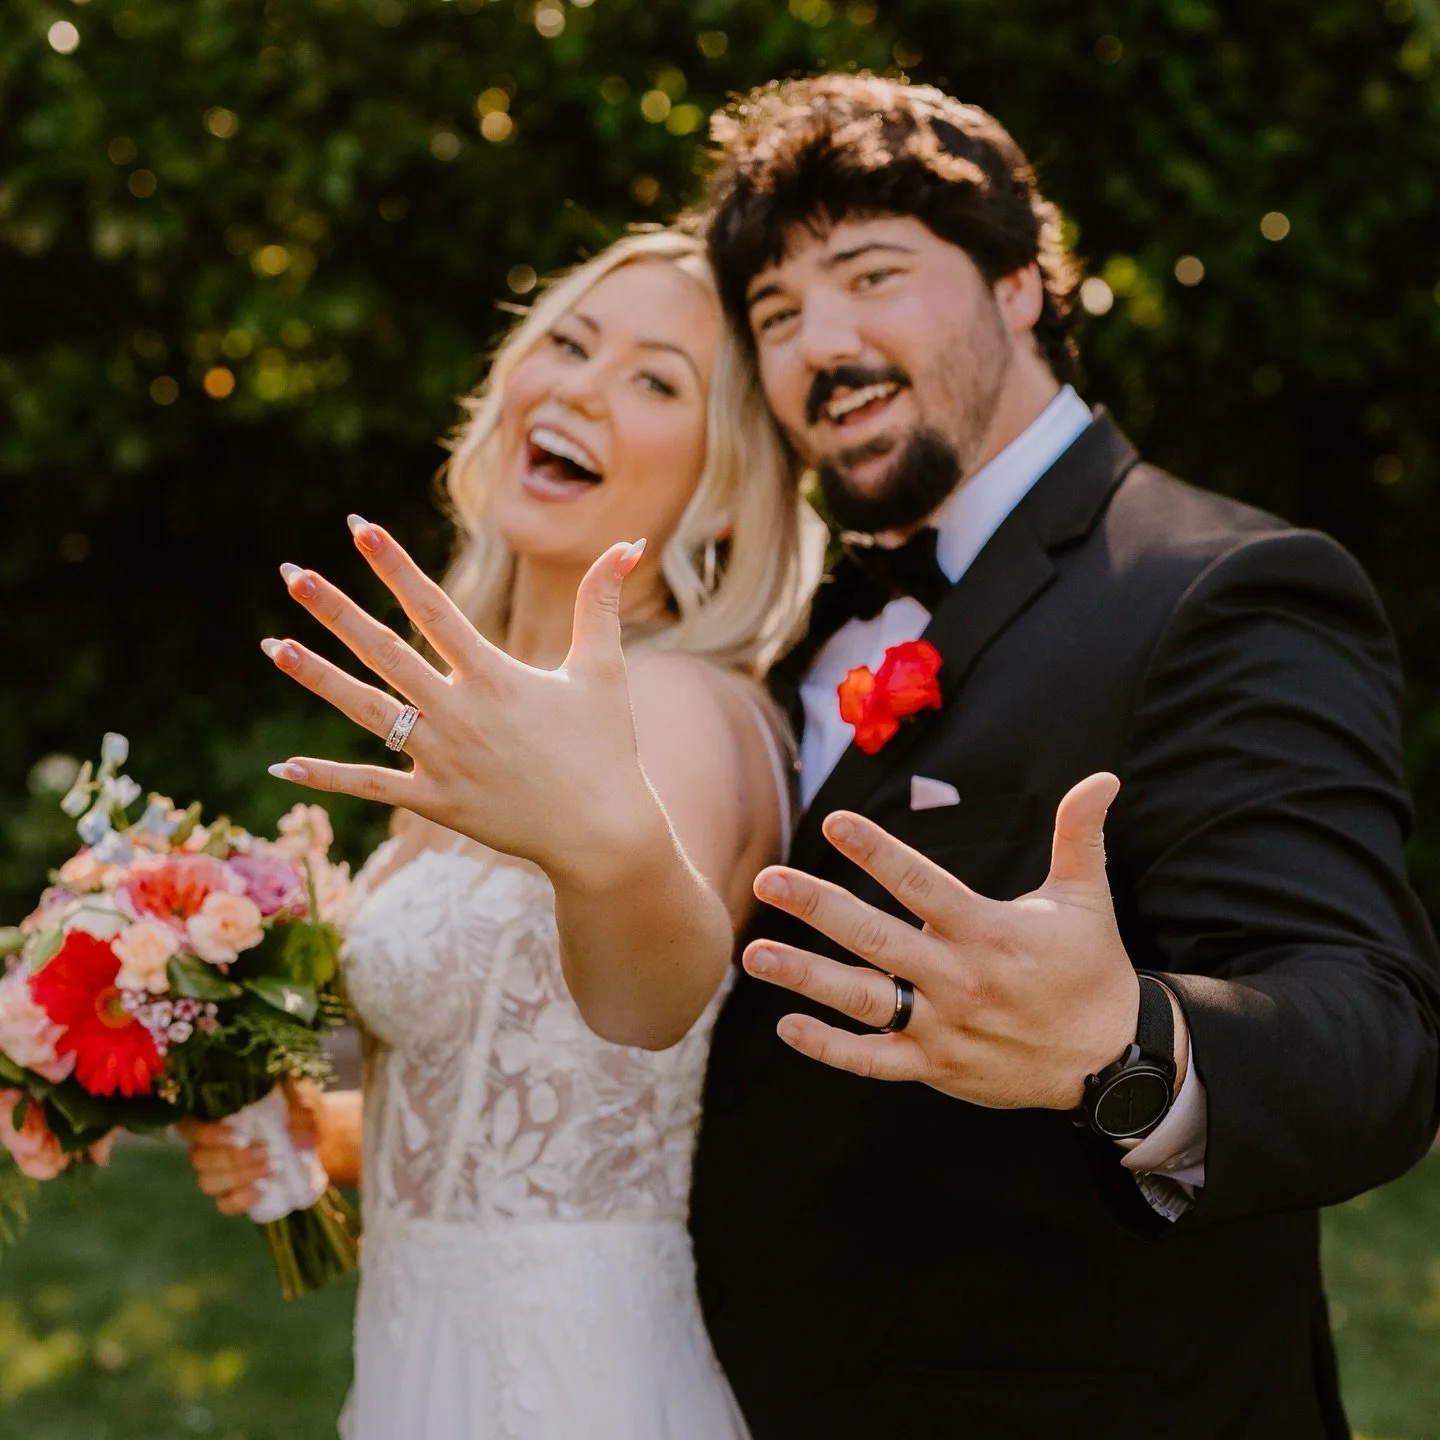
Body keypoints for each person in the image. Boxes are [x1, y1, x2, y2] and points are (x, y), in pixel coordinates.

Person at [683, 75, 1440, 1439]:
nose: (821, 345)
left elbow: (1375, 1039)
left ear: (1023, 284)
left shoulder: (1225, 585)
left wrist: (1128, 1041)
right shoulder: (785, 630)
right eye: (777, 314)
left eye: (871, 275)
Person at [182, 227, 821, 1439]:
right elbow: (506, 1101)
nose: (581, 385)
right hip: (418, 1366)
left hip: (578, 1384)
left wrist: (610, 850)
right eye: (570, 343)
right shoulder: (474, 738)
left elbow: (651, 1002)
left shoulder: (681, 705)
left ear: (728, 485)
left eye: (655, 380)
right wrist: (315, 1134)